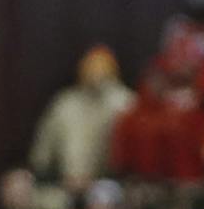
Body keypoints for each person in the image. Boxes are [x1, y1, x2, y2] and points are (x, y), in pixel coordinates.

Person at [30, 47, 136, 191]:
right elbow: (41, 157)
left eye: (101, 71)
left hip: (112, 186)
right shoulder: (65, 103)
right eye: (91, 70)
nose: (96, 76)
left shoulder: (125, 103)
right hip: (63, 185)